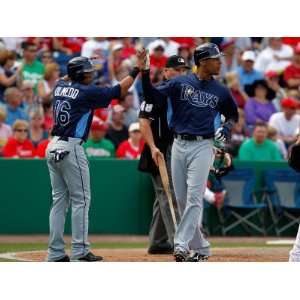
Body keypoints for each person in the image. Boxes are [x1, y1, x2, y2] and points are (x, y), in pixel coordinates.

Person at [137, 43, 238, 262]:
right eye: (215, 58)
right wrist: (144, 72)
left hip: (203, 145)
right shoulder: (180, 82)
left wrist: (226, 129)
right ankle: (202, 247)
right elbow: (151, 97)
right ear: (202, 61)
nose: (220, 61)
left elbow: (233, 115)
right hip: (178, 144)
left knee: (193, 198)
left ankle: (180, 244)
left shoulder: (220, 89)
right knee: (182, 200)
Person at [45, 55, 140, 262]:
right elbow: (119, 90)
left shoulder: (60, 86)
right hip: (71, 146)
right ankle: (80, 250)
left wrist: (82, 61)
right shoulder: (86, 92)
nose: (92, 73)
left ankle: (55, 253)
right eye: (88, 71)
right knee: (81, 200)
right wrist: (136, 70)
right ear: (80, 74)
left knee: (59, 202)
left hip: (52, 146)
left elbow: (66, 76)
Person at [138, 55, 190, 255]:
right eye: (176, 70)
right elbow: (144, 122)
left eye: (183, 70)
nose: (180, 74)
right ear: (166, 72)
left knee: (164, 194)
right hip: (160, 149)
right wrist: (152, 147)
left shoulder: (185, 93)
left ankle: (159, 241)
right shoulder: (158, 92)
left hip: (179, 146)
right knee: (170, 194)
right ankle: (180, 242)